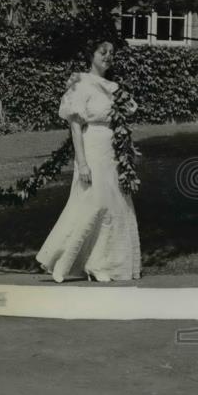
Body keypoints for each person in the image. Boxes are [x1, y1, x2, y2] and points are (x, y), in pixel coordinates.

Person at [36, 39, 142, 283]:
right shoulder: (81, 83)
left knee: (114, 206)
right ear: (90, 54)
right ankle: (62, 261)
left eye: (111, 53)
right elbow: (75, 127)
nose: (107, 56)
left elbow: (129, 110)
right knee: (92, 203)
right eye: (102, 52)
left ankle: (100, 263)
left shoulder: (114, 86)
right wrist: (82, 162)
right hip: (91, 146)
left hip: (113, 150)